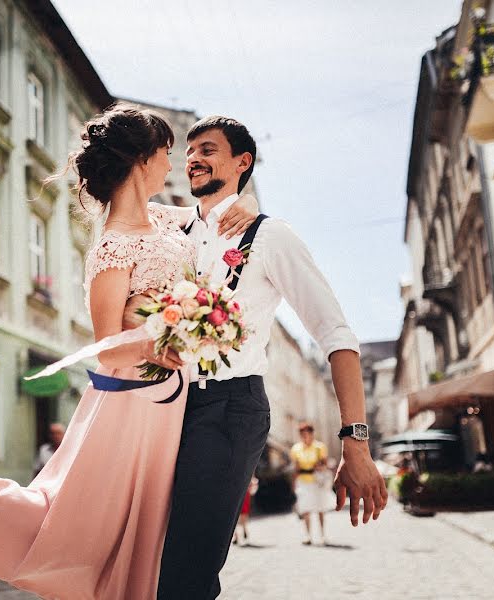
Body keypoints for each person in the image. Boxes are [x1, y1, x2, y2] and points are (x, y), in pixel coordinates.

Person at [0, 103, 259, 599]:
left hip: (167, 402)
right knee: (78, 523)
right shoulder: (111, 246)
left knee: (143, 532)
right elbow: (107, 348)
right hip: (129, 402)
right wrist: (161, 339)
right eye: (164, 155)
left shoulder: (161, 218)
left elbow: (209, 216)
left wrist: (244, 209)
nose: (170, 166)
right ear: (141, 160)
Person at [156, 116, 387, 599]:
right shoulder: (173, 229)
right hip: (166, 408)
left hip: (228, 409)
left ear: (243, 162)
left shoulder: (269, 236)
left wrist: (356, 443)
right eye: (190, 150)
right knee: (150, 560)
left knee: (186, 570)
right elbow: (117, 203)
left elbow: (336, 335)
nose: (193, 158)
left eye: (208, 149)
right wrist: (240, 200)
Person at [290, 422, 335, 545]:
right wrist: (294, 483)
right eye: (302, 434)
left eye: (307, 434)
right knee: (305, 508)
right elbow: (296, 468)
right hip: (303, 481)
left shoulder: (319, 447)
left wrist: (320, 466)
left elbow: (325, 463)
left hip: (317, 481)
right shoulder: (296, 449)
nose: (304, 437)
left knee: (320, 508)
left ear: (311, 434)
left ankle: (322, 535)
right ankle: (308, 536)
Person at [233, 475, 259, 546]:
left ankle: (240, 533)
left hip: (242, 494)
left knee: (237, 517)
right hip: (242, 494)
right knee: (238, 517)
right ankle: (238, 534)